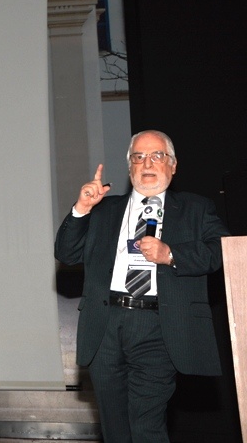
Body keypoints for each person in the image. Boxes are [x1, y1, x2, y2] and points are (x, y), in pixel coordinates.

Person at [54, 130, 229, 442]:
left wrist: (171, 254)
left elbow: (221, 252)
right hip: (105, 325)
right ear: (130, 167)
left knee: (146, 424)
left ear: (173, 166)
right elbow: (66, 252)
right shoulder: (104, 210)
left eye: (157, 155)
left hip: (159, 326)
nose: (147, 163)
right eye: (138, 157)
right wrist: (81, 209)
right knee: (115, 427)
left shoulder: (196, 209)